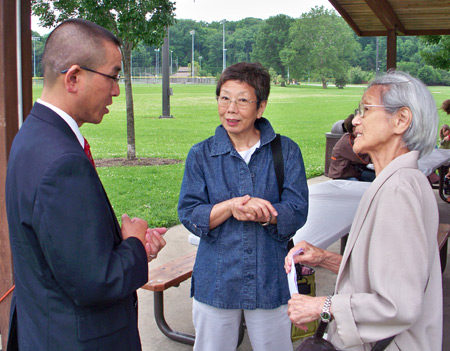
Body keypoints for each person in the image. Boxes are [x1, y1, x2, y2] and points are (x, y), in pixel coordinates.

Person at [6, 19, 166, 351]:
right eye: (113, 76)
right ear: (74, 77)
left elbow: (64, 252)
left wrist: (120, 245)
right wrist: (134, 244)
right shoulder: (61, 163)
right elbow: (96, 282)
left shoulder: (33, 136)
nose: (117, 90)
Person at [285, 71, 442, 350]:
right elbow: (382, 273)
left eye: (366, 109)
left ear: (401, 120)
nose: (356, 120)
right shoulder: (396, 182)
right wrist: (324, 258)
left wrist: (321, 305)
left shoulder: (399, 191)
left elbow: (398, 305)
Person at [178, 62, 309, 351]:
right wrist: (229, 207)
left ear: (261, 107)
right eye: (224, 98)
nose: (230, 109)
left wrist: (268, 214)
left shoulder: (285, 151)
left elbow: (298, 209)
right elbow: (189, 212)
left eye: (242, 100)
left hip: (269, 278)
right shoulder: (201, 154)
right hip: (216, 279)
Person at [328, 113, 375, 182]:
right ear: (354, 129)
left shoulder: (353, 138)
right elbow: (366, 159)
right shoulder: (348, 142)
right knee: (360, 188)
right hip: (343, 176)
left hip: (356, 171)